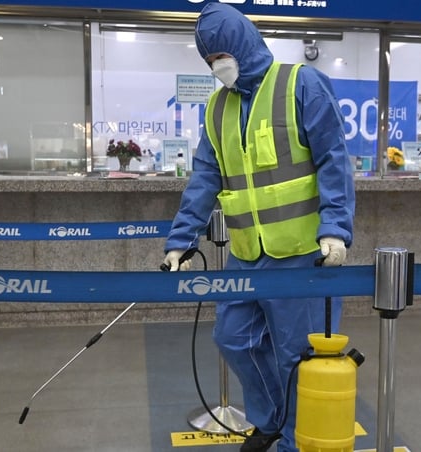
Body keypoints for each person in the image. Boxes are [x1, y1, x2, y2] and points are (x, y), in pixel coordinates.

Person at [162, 3, 355, 452]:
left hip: (302, 252)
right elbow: (206, 177)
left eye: (222, 56)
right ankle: (270, 421)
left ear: (244, 45)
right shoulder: (216, 108)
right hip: (247, 253)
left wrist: (336, 228)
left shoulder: (299, 84)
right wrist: (181, 240)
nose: (218, 67)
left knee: (296, 357)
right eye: (209, 61)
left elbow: (333, 160)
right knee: (232, 338)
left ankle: (291, 442)